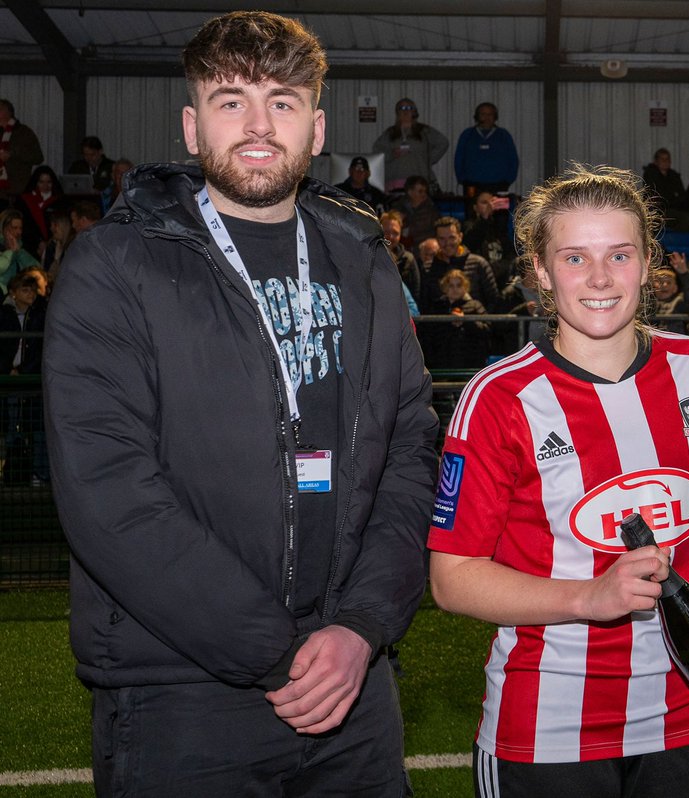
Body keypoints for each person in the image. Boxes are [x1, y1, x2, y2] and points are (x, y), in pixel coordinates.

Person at [42, 12, 438, 795]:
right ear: (193, 126)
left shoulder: (362, 262)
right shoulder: (115, 264)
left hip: (353, 683)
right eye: (231, 101)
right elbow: (108, 490)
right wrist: (272, 648)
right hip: (181, 691)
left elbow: (410, 453)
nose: (259, 126)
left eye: (283, 102)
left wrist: (361, 627)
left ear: (317, 128)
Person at [427, 163, 689, 797]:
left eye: (620, 255)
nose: (601, 278)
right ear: (539, 270)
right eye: (575, 257)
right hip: (548, 728)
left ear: (648, 262)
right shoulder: (499, 398)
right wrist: (589, 598)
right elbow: (452, 578)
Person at [1, 269, 49, 486]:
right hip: (9, 378)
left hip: (31, 378)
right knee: (10, 425)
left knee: (36, 427)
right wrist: (7, 367)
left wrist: (26, 369)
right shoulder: (5, 315)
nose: (30, 294)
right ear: (14, 293)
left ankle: (37, 473)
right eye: (25, 290)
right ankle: (11, 472)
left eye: (32, 290)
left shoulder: (40, 315)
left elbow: (40, 348)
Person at [372, 97, 449, 193]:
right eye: (402, 108)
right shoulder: (390, 133)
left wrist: (427, 159)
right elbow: (377, 152)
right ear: (397, 112)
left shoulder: (424, 131)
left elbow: (443, 143)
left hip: (419, 181)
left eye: (409, 108)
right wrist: (392, 155)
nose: (405, 111)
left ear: (414, 112)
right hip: (395, 182)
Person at [422, 269, 490, 371]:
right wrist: (448, 322)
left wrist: (466, 321)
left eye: (459, 285)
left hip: (470, 362)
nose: (455, 289)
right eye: (451, 285)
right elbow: (428, 333)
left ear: (465, 287)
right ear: (445, 287)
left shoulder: (475, 305)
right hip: (441, 363)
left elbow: (487, 330)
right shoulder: (437, 306)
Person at [454, 101, 519, 204]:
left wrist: (507, 180)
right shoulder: (467, 135)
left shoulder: (503, 135)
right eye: (483, 114)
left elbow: (513, 159)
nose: (486, 118)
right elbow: (459, 158)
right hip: (472, 185)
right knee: (471, 215)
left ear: (495, 117)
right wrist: (463, 179)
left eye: (490, 114)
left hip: (499, 185)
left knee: (500, 215)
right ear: (477, 117)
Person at [642, 147, 689, 231]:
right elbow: (656, 196)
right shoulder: (651, 175)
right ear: (656, 161)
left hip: (674, 209)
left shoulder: (674, 176)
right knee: (685, 218)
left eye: (667, 159)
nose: (665, 161)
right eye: (662, 159)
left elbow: (681, 195)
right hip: (658, 211)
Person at [0, 99, 45, 205]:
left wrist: (12, 154)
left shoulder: (24, 133)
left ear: (9, 112)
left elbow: (38, 157)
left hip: (17, 191)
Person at [0, 209, 38, 293]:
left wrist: (18, 252)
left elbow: (37, 269)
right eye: (14, 228)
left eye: (20, 228)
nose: (19, 232)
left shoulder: (21, 249)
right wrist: (11, 251)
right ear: (4, 229)